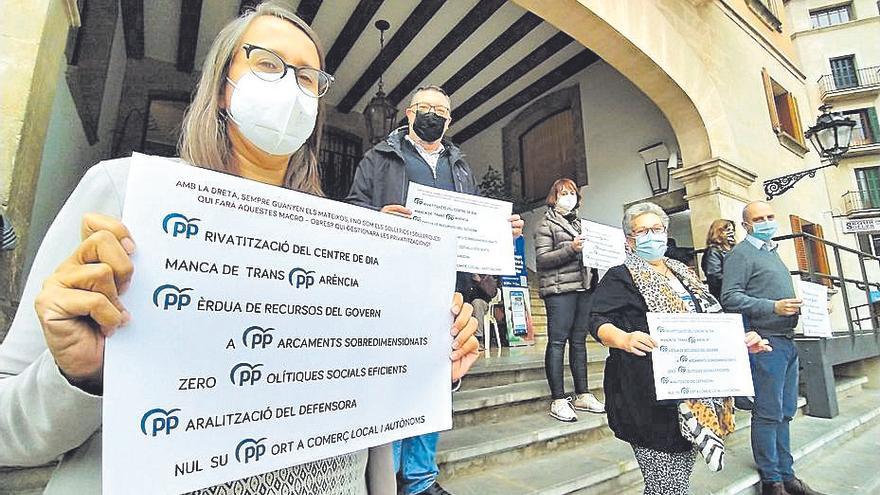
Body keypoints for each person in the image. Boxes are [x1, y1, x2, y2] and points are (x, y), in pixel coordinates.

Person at [0, 4, 480, 495]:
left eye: (309, 79)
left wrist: (421, 362)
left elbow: (350, 394)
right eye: (268, 64)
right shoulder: (124, 195)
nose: (292, 88)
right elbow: (8, 435)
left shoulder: (340, 242)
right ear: (221, 84)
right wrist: (78, 375)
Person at [346, 85, 523, 495]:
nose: (432, 115)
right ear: (409, 114)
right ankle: (384, 477)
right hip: (392, 284)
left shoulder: (460, 166)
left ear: (449, 120)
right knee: (390, 379)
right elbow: (352, 207)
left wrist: (500, 231)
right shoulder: (379, 157)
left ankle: (421, 479)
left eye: (440, 110)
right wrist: (377, 216)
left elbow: (475, 218)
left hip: (448, 289)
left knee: (437, 380)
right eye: (425, 108)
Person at [589, 202, 771, 495]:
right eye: (641, 231)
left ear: (666, 232)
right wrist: (623, 339)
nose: (651, 236)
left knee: (677, 482)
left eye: (657, 229)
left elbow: (710, 321)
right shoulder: (620, 275)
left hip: (694, 391)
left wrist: (740, 340)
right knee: (666, 486)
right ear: (629, 240)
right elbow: (598, 320)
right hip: (647, 395)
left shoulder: (684, 273)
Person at [722, 201, 825, 495]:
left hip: (787, 341)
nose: (767, 222)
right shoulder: (741, 254)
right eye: (759, 218)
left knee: (786, 411)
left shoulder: (772, 252)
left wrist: (800, 308)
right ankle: (772, 481)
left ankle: (787, 474)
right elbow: (729, 297)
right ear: (746, 225)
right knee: (768, 413)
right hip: (765, 342)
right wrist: (773, 307)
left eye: (770, 216)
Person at [534, 178, 603, 422]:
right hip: (559, 290)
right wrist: (571, 249)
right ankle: (559, 399)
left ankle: (583, 394)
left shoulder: (581, 225)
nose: (569, 197)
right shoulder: (545, 224)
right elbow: (542, 259)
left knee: (579, 342)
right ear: (554, 196)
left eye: (572, 192)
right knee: (557, 343)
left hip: (584, 289)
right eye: (563, 193)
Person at [701, 219, 736, 300]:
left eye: (732, 230)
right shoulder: (713, 251)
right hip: (724, 294)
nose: (731, 233)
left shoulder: (734, 249)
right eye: (727, 230)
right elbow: (714, 276)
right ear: (718, 232)